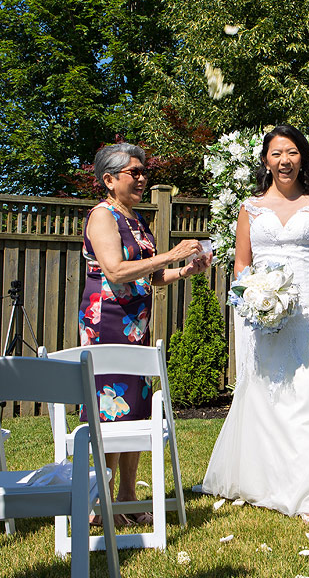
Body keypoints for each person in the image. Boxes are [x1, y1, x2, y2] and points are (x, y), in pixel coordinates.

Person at [199, 125, 309, 519]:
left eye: (291, 152)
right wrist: (251, 297)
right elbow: (241, 262)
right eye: (276, 153)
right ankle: (267, 480)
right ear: (266, 161)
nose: (284, 160)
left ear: (302, 157)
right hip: (262, 310)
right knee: (269, 391)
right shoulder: (250, 207)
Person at [80, 142, 211, 527]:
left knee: (135, 409)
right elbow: (117, 271)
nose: (141, 177)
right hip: (107, 325)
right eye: (132, 172)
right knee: (109, 412)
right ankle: (99, 501)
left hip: (135, 327)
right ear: (109, 179)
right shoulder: (102, 216)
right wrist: (171, 254)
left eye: (143, 171)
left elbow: (150, 276)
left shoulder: (135, 218)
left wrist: (185, 271)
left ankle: (127, 497)